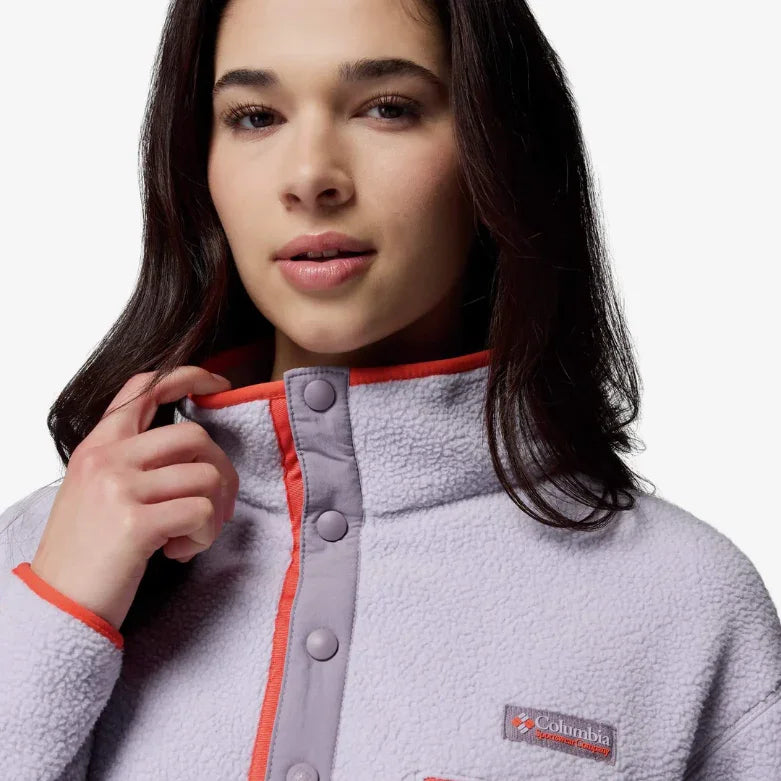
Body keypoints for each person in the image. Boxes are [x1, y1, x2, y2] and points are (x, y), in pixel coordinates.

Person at [1, 0, 779, 778]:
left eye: (387, 108)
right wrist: (57, 614)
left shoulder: (685, 602)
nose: (310, 177)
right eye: (255, 116)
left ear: (494, 146)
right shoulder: (41, 553)